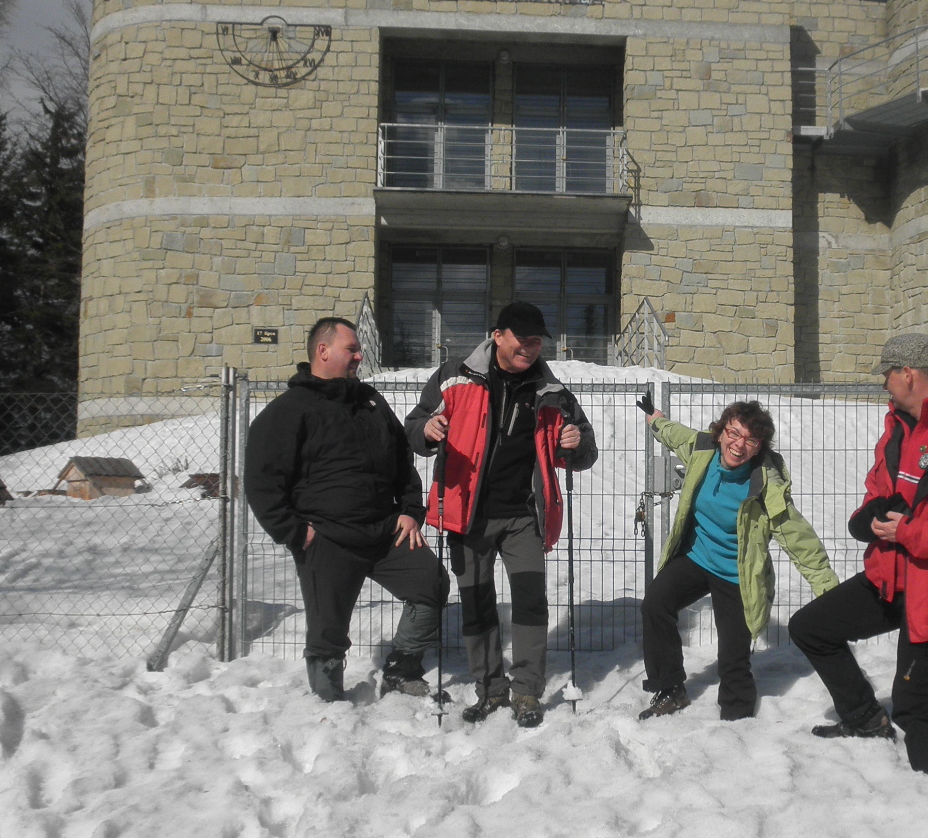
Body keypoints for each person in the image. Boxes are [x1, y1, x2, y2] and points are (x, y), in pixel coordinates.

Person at [786, 334, 928, 774]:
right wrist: (868, 517)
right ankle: (865, 720)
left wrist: (911, 532)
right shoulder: (898, 426)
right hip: (892, 573)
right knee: (811, 627)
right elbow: (880, 488)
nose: (884, 384)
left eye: (887, 375)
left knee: (915, 707)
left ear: (907, 374)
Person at [405, 302, 598, 728]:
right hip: (467, 514)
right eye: (522, 339)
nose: (530, 347)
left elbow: (586, 449)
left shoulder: (552, 391)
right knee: (477, 604)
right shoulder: (454, 376)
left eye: (536, 341)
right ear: (497, 336)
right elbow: (415, 426)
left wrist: (574, 442)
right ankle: (490, 689)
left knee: (530, 602)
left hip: (524, 516)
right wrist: (428, 431)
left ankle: (526, 691)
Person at [244, 317, 449, 702]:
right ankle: (330, 702)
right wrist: (295, 532)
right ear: (323, 351)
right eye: (351, 349)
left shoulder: (370, 401)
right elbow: (261, 480)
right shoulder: (289, 410)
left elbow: (401, 461)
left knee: (431, 585)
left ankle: (401, 669)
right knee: (328, 632)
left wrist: (410, 510)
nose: (359, 357)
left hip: (386, 532)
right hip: (327, 539)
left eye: (358, 351)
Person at [636, 398, 839, 721]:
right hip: (697, 558)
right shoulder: (703, 450)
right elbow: (677, 435)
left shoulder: (765, 485)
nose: (739, 445)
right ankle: (669, 689)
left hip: (736, 573)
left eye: (751, 439)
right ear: (720, 433)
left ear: (759, 447)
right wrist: (656, 420)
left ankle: (738, 719)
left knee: (733, 659)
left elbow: (799, 540)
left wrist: (830, 593)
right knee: (656, 604)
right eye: (733, 433)